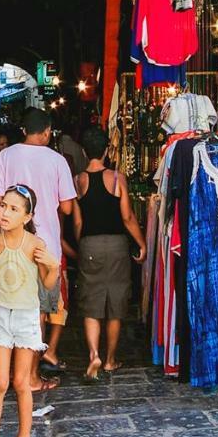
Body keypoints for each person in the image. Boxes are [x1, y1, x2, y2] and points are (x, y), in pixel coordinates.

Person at [0, 107, 76, 390]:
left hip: (9, 243)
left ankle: (10, 372)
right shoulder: (57, 160)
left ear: (23, 130)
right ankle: (30, 377)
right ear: (47, 132)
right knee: (37, 312)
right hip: (45, 246)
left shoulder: (6, 156)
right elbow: (67, 206)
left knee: (8, 307)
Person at [0, 185, 59, 437]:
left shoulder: (34, 245)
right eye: (3, 206)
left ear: (27, 217)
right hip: (0, 316)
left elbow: (47, 285)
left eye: (14, 209)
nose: (5, 213)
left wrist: (55, 267)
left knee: (21, 382)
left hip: (26, 318)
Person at [73, 126, 147, 382]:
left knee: (91, 303)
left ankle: (93, 353)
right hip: (116, 246)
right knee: (115, 304)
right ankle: (110, 359)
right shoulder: (117, 178)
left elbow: (78, 223)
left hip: (89, 245)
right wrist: (141, 243)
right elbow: (127, 217)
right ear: (107, 150)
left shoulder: (78, 181)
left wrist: (80, 246)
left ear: (84, 151)